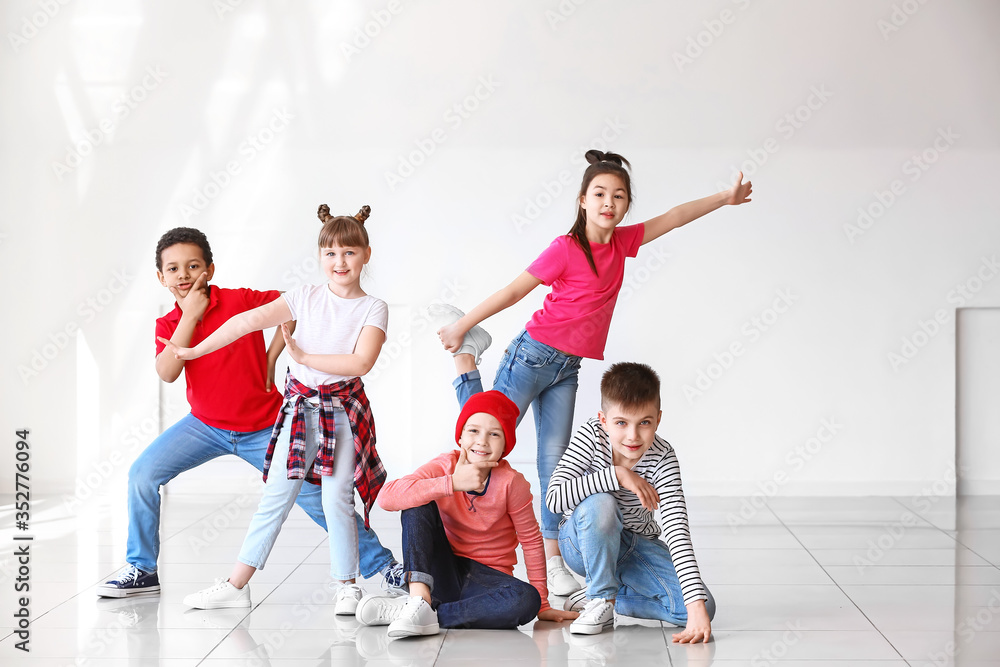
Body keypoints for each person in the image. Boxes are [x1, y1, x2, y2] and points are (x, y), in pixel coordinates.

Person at [437, 149, 753, 595]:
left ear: (626, 205)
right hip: (531, 356)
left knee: (555, 461)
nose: (609, 202)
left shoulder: (623, 243)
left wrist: (725, 197)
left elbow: (676, 216)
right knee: (484, 431)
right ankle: (465, 355)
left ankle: (551, 558)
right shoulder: (565, 249)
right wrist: (462, 324)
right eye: (600, 193)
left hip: (567, 369)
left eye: (619, 196)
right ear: (583, 200)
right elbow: (512, 292)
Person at [98, 226, 401, 600]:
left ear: (209, 269)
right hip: (204, 426)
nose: (184, 276)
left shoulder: (240, 300)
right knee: (141, 475)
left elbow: (292, 311)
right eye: (173, 269)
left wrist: (272, 358)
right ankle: (142, 568)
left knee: (319, 498)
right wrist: (189, 317)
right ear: (161, 278)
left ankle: (383, 566)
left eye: (193, 266)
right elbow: (167, 371)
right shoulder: (169, 324)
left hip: (264, 425)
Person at [352, 388, 578, 638]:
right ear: (460, 437)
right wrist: (452, 483)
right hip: (442, 570)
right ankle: (418, 600)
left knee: (527, 600)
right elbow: (386, 497)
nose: (482, 441)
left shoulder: (512, 483)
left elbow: (532, 541)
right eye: (473, 431)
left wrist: (543, 604)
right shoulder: (445, 465)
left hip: (486, 580)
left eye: (494, 434)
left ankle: (425, 612)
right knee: (416, 500)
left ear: (505, 445)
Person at [546, 362, 715, 640]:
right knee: (601, 503)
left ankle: (598, 598)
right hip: (583, 543)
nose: (633, 436)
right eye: (621, 423)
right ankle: (601, 598)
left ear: (658, 419)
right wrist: (617, 475)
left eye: (644, 423)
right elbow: (555, 499)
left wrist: (696, 606)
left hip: (634, 545)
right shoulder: (591, 435)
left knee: (704, 606)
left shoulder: (663, 457)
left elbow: (676, 530)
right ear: (603, 419)